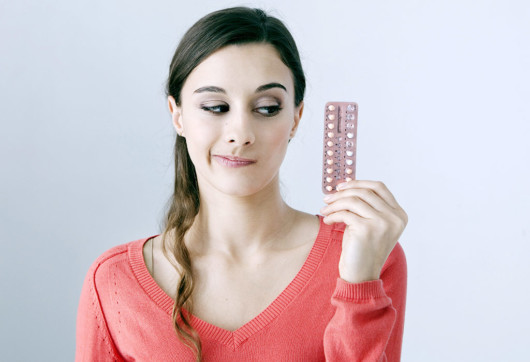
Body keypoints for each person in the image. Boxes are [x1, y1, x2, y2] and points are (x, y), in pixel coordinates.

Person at [75, 6, 408, 362]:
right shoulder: (114, 281)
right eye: (216, 107)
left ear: (296, 118)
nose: (241, 135)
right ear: (177, 115)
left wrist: (359, 285)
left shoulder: (368, 256)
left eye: (266, 108)